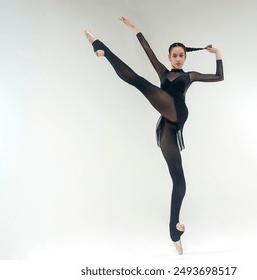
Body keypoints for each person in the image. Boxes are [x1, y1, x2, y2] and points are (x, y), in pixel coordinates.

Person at [85, 16, 223, 254]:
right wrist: (137, 31)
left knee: (139, 83)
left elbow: (219, 77)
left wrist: (217, 54)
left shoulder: (189, 76)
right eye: (174, 55)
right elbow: (149, 52)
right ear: (169, 58)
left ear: (185, 57)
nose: (178, 58)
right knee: (178, 179)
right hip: (167, 127)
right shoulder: (162, 72)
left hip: (177, 113)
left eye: (181, 55)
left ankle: (103, 49)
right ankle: (174, 229)